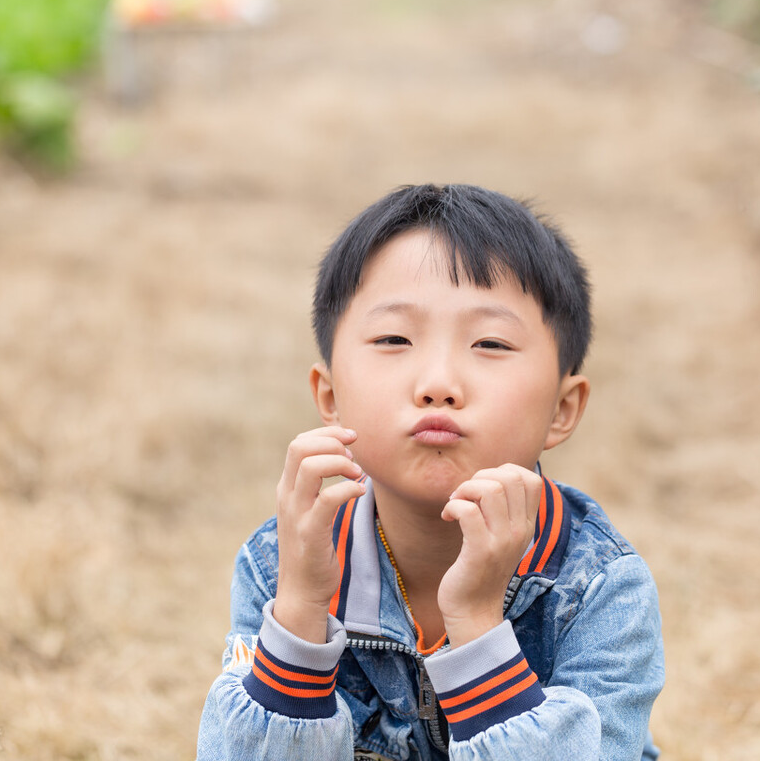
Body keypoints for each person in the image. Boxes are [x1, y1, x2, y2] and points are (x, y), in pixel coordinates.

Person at [197, 184, 665, 760]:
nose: (438, 383)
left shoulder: (597, 588)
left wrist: (475, 625)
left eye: (490, 343)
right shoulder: (279, 564)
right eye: (394, 338)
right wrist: (299, 611)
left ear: (562, 410)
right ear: (329, 394)